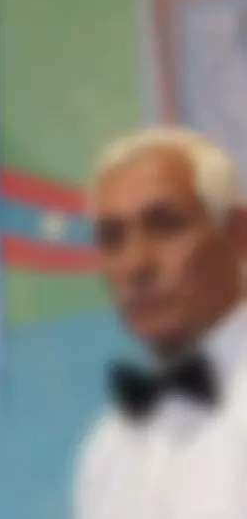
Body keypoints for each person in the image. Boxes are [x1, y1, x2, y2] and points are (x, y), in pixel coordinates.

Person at [77, 127, 247, 519]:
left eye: (165, 224)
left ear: (238, 233)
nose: (136, 263)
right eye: (112, 237)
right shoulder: (107, 450)